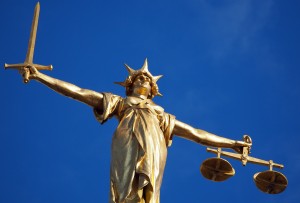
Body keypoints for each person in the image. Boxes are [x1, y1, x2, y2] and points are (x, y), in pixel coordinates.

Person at [21, 59, 250, 203]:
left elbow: (196, 133)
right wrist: (41, 76)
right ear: (129, 85)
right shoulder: (120, 103)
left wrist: (232, 144)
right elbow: (78, 92)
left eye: (147, 79)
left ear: (153, 89)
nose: (143, 78)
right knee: (124, 188)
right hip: (125, 142)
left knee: (149, 191)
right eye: (138, 77)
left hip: (154, 148)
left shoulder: (161, 115)